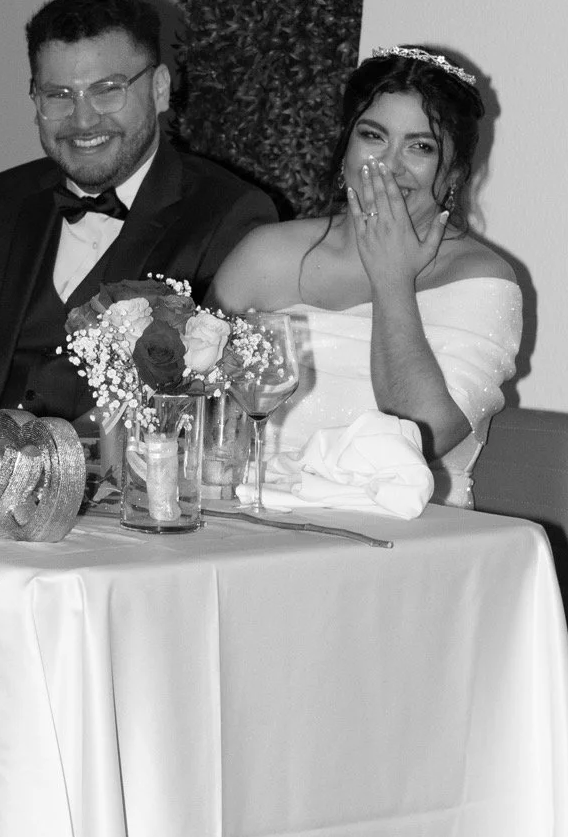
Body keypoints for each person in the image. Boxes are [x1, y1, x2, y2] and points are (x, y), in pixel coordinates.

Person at [0, 0, 277, 423]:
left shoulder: (230, 215)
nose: (82, 120)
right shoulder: (2, 201)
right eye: (59, 95)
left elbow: (211, 416)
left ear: (159, 89)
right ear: (35, 100)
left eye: (107, 90)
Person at [211, 47, 522, 507]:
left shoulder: (480, 280)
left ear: (454, 172)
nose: (389, 165)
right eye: (374, 136)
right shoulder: (266, 253)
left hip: (404, 542)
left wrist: (392, 279)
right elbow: (191, 406)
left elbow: (422, 435)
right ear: (345, 148)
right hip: (249, 521)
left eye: (421, 146)